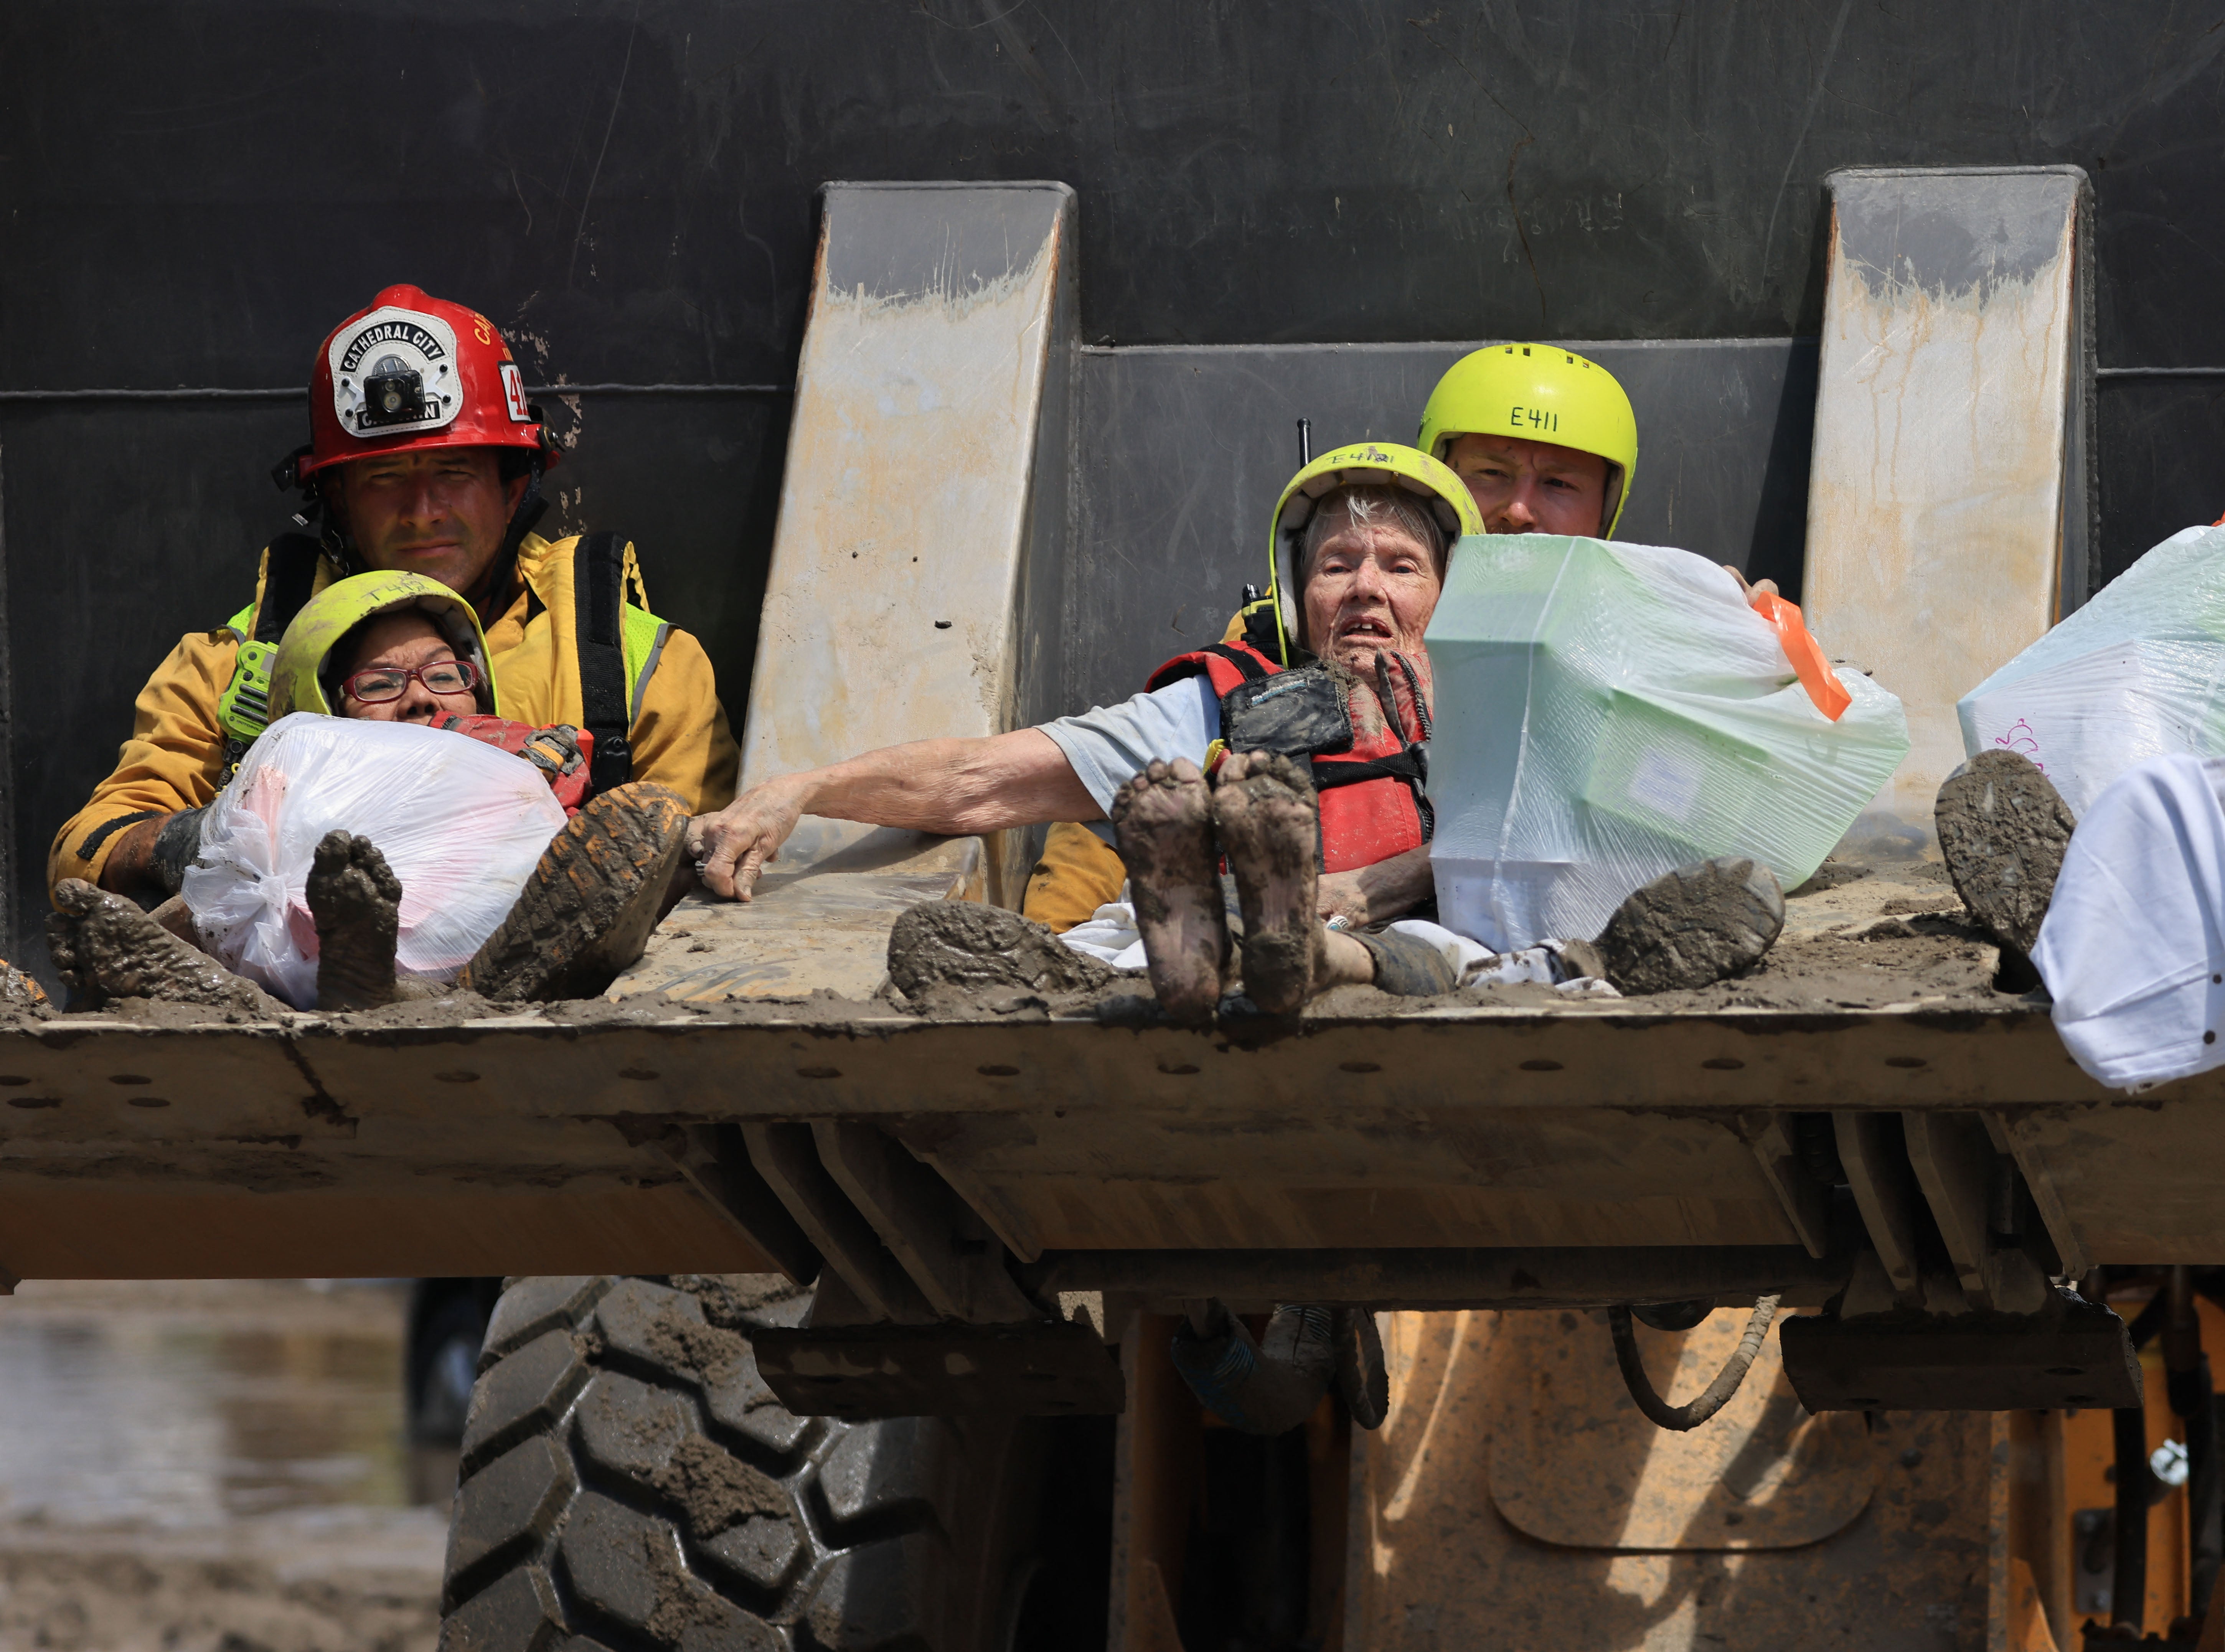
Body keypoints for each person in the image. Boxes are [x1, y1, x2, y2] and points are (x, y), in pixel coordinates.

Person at [684, 440, 1784, 1019]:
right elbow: (979, 781)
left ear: (1452, 591)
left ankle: (1286, 941)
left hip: (1421, 956)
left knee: (1455, 957)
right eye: (1336, 567)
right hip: (1200, 951)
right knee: (1119, 928)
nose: (1365, 591)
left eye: (1400, 568)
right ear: (1293, 590)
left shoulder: (1519, 694)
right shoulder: (1222, 704)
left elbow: (1693, 765)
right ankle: (1124, 953)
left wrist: (1727, 632)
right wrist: (802, 788)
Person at [49, 284, 737, 919]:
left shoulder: (636, 664)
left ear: (510, 485)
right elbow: (86, 851)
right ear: (338, 503)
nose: (422, 510)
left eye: (453, 471)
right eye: (384, 478)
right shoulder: (235, 668)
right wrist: (223, 835)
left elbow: (707, 860)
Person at [47, 572, 689, 1013]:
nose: (421, 695)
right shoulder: (285, 771)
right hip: (292, 949)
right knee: (216, 912)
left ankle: (401, 985)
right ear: (321, 711)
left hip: (491, 961)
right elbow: (91, 844)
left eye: (445, 673)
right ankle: (205, 974)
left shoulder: (527, 761)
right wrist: (222, 840)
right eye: (380, 683)